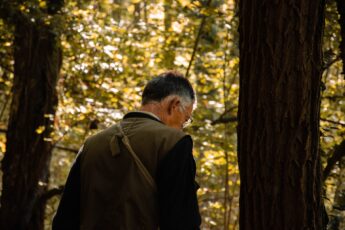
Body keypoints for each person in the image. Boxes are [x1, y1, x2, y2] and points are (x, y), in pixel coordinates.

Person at [52, 71, 201, 229]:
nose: (182, 127)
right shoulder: (173, 142)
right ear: (174, 105)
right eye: (186, 119)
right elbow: (181, 221)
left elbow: (64, 220)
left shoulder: (91, 144)